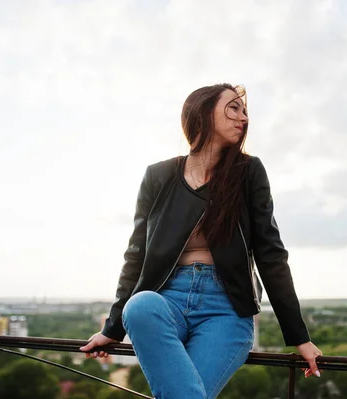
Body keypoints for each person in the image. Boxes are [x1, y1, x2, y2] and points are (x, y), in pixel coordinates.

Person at [80, 83, 323, 398]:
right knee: (140, 306)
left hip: (225, 308)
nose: (243, 118)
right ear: (204, 112)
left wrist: (298, 336)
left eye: (245, 111)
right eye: (233, 108)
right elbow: (136, 255)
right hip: (167, 300)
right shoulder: (159, 176)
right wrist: (112, 329)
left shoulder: (249, 172)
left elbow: (270, 253)